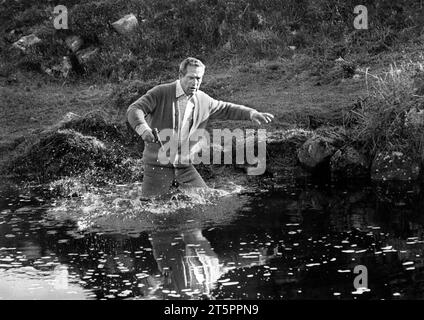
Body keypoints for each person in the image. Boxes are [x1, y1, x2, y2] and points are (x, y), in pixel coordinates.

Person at [127, 57, 274, 198]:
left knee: (204, 200)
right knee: (150, 207)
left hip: (184, 164)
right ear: (180, 75)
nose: (195, 82)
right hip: (157, 164)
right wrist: (143, 129)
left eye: (198, 79)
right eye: (191, 78)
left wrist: (251, 114)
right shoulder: (161, 92)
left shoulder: (203, 100)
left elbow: (226, 108)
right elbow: (134, 109)